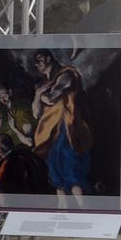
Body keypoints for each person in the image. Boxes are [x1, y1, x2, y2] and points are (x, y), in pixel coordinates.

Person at [32, 50, 94, 197]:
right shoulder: (43, 84)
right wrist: (37, 95)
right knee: (56, 176)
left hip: (67, 129)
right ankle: (62, 211)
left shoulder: (66, 75)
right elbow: (36, 114)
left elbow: (51, 99)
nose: (37, 65)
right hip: (49, 132)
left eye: (40, 60)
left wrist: (41, 94)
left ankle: (82, 211)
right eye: (36, 62)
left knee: (71, 173)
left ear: (48, 58)